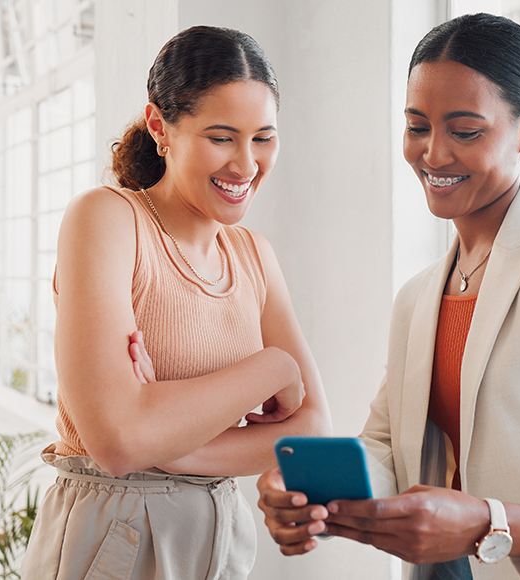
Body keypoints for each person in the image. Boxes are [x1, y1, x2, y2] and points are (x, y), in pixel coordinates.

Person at [256, 13, 520, 580]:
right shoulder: (418, 297)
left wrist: (491, 525)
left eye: (465, 131)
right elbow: (386, 448)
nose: (433, 155)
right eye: (417, 127)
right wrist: (310, 490)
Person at [22, 26, 331, 580]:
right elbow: (117, 443)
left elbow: (310, 432)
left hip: (220, 535)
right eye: (221, 137)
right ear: (161, 128)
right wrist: (271, 367)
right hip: (114, 534)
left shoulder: (253, 254)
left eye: (263, 137)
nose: (245, 165)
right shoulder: (108, 219)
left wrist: (170, 445)